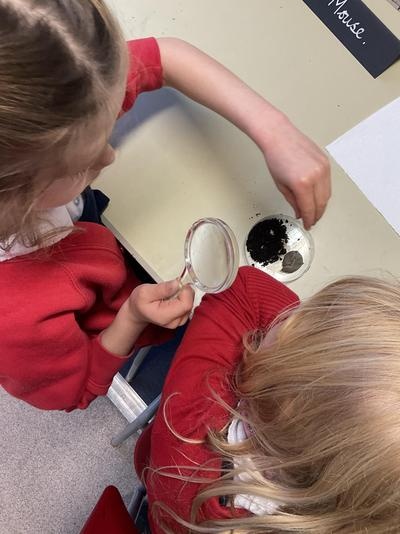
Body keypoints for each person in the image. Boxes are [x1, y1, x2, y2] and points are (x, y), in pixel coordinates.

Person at [0, 0, 329, 411]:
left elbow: (165, 56)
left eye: (106, 130)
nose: (110, 156)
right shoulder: (15, 321)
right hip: (108, 308)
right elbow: (75, 391)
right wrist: (130, 319)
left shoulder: (53, 85)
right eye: (84, 164)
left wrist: (275, 131)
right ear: (17, 195)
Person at [135, 266, 400, 533]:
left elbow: (244, 287)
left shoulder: (192, 421)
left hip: (161, 489)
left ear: (267, 388)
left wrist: (318, 342)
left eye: (297, 320)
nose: (288, 316)